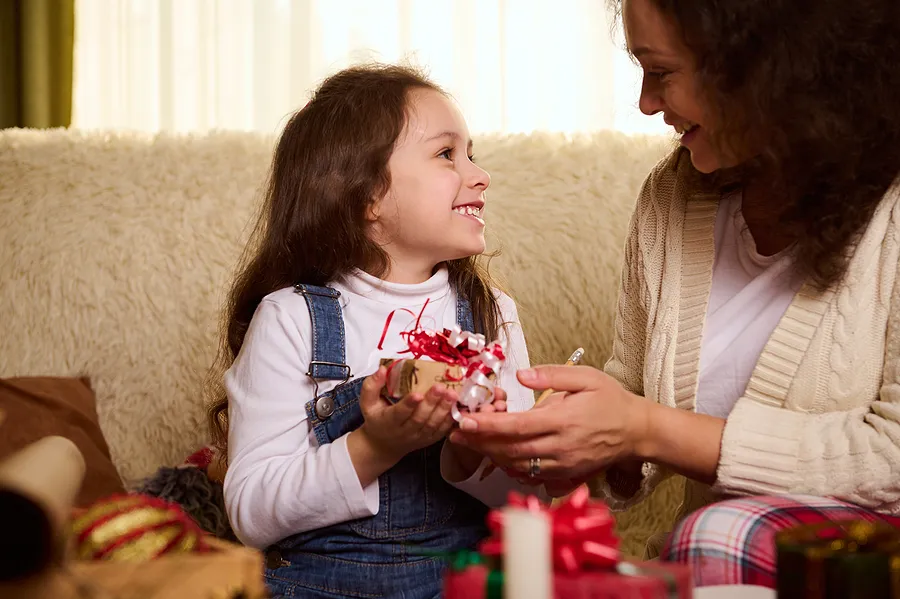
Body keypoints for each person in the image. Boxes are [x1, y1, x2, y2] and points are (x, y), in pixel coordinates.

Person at [447, 0, 900, 588]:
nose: (645, 102)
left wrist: (644, 427)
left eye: (660, 72)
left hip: (841, 551)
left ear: (766, 69)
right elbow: (635, 395)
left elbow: (889, 458)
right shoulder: (670, 197)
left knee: (715, 535)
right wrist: (576, 439)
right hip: (719, 560)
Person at [207, 64, 545, 599]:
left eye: (472, 154)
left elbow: (532, 502)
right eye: (445, 155)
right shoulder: (293, 318)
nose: (480, 176)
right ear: (366, 196)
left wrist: (473, 455)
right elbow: (251, 512)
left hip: (463, 581)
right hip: (320, 586)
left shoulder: (489, 313)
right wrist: (374, 445)